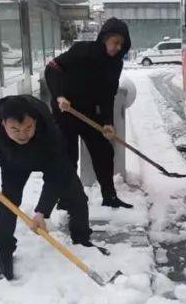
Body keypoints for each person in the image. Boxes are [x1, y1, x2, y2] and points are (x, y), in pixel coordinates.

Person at [0, 95, 92, 280]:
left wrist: (42, 212)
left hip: (47, 156)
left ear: (34, 121)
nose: (22, 135)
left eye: (28, 128)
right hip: (13, 160)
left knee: (76, 195)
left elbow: (56, 174)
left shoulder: (49, 128)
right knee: (9, 202)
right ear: (3, 124)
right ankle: (4, 251)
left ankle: (82, 238)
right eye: (14, 129)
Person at [45, 17, 134, 209]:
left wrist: (108, 123)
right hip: (65, 110)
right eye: (115, 43)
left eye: (122, 44)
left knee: (104, 151)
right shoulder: (82, 50)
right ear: (104, 39)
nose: (118, 48)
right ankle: (66, 199)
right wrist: (59, 95)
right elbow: (53, 68)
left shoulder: (115, 64)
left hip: (88, 113)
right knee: (68, 155)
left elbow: (108, 95)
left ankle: (109, 196)